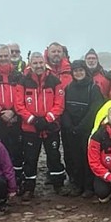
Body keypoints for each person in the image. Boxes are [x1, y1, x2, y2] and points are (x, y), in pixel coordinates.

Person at [15, 52, 66, 199]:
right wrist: (33, 120)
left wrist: (47, 119)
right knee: (30, 158)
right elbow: (19, 105)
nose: (38, 66)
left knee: (54, 156)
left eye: (40, 63)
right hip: (30, 128)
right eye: (35, 63)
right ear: (30, 64)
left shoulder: (54, 81)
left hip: (51, 127)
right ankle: (29, 188)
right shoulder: (23, 81)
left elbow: (59, 104)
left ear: (44, 63)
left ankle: (59, 185)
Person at [60, 60, 104, 197]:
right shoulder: (68, 88)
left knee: (88, 159)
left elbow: (95, 109)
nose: (78, 73)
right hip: (71, 130)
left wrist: (81, 127)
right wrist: (69, 125)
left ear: (86, 71)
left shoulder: (93, 88)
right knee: (75, 158)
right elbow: (64, 108)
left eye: (81, 70)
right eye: (75, 71)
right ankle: (77, 184)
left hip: (87, 130)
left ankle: (89, 187)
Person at [0, 44, 25, 181]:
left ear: (10, 56)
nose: (3, 59)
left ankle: (18, 179)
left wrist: (14, 112)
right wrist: (2, 113)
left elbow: (22, 97)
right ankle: (3, 181)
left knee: (18, 152)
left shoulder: (19, 75)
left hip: (16, 120)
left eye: (6, 56)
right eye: (0, 56)